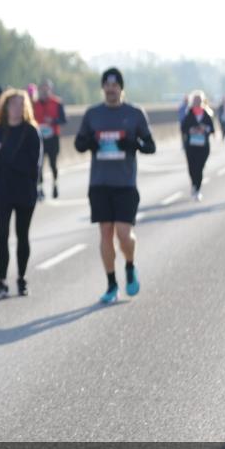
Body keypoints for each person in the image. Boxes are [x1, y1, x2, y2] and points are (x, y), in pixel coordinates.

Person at [75, 68, 155, 304]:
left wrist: (133, 143)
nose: (111, 89)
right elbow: (80, 144)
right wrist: (91, 141)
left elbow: (150, 146)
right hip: (99, 183)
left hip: (125, 184)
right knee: (105, 234)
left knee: (123, 233)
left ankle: (130, 265)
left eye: (115, 85)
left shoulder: (135, 114)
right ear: (103, 89)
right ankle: (111, 284)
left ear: (121, 88)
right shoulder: (93, 114)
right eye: (107, 86)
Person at [0, 87, 43, 297]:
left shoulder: (31, 131)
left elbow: (32, 165)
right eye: (13, 103)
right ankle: (1, 282)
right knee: (2, 235)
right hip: (2, 190)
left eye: (21, 103)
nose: (17, 107)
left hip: (25, 191)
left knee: (22, 235)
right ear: (5, 106)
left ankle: (22, 279)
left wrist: (4, 156)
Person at [32, 79, 68, 199]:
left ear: (51, 90)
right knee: (39, 165)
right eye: (42, 89)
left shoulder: (57, 103)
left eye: (46, 89)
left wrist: (52, 121)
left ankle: (55, 184)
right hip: (39, 138)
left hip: (53, 138)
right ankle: (40, 188)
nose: (44, 91)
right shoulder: (34, 104)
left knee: (53, 164)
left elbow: (64, 120)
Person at [180, 90, 215, 201]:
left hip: (203, 147)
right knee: (191, 168)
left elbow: (212, 129)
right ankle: (194, 185)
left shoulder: (207, 113)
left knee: (199, 168)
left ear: (202, 101)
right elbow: (183, 128)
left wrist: (205, 129)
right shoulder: (188, 113)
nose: (197, 102)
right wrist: (192, 130)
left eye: (199, 100)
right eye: (195, 100)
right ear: (192, 101)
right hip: (191, 146)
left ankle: (198, 189)